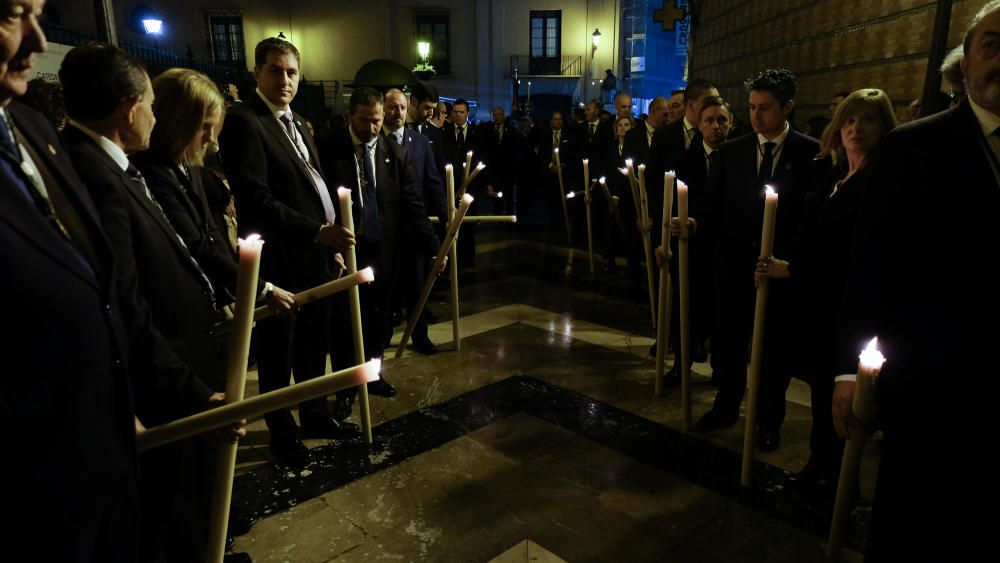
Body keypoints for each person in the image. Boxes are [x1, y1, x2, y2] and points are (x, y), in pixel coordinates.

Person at [832, 3, 1000, 559]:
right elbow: (871, 264)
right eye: (992, 46)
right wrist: (852, 371)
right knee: (912, 526)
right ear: (966, 62)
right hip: (931, 379)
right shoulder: (915, 147)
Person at [219, 37, 358, 467]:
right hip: (280, 258)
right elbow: (256, 196)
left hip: (315, 254)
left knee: (314, 345)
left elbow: (309, 184)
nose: (285, 79)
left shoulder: (296, 121)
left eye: (292, 72)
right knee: (279, 352)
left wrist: (328, 243)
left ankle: (315, 414)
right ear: (257, 73)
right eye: (275, 70)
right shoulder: (246, 120)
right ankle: (283, 432)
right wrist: (318, 230)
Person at [756, 89, 896, 497]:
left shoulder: (877, 183)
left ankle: (841, 484)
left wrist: (794, 269)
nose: (856, 128)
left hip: (846, 307)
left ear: (883, 127)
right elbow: (811, 232)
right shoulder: (836, 176)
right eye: (850, 120)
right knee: (821, 393)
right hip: (816, 308)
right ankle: (821, 466)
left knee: (842, 401)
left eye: (867, 120)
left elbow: (853, 253)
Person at [698, 69, 829, 456]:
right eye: (752, 108)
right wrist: (694, 226)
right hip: (735, 267)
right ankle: (726, 407)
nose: (756, 117)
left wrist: (787, 260)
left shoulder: (812, 154)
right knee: (730, 342)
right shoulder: (732, 151)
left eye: (766, 108)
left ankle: (768, 421)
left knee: (774, 351)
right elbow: (714, 208)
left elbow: (813, 217)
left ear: (788, 106)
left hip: (781, 271)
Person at [317, 87, 441, 417]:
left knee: (379, 319)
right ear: (349, 117)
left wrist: (434, 246)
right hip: (345, 250)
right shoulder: (329, 148)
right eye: (365, 121)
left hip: (383, 250)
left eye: (377, 121)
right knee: (346, 322)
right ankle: (346, 385)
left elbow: (412, 204)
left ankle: (372, 374)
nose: (372, 128)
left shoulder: (392, 152)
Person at [655, 96, 733, 383]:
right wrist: (664, 238)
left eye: (722, 120)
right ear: (699, 125)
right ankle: (681, 363)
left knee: (722, 309)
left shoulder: (737, 159)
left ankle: (721, 367)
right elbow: (669, 203)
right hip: (689, 246)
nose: (716, 126)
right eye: (709, 120)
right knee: (685, 307)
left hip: (723, 246)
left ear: (731, 123)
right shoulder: (684, 160)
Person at [382, 87, 445, 355]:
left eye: (402, 108)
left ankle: (420, 335)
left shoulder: (419, 143)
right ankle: (381, 337)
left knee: (417, 286)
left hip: (414, 228)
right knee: (384, 289)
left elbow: (432, 182)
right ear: (384, 109)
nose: (397, 113)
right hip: (384, 230)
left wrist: (446, 218)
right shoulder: (374, 139)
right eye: (392, 107)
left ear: (409, 108)